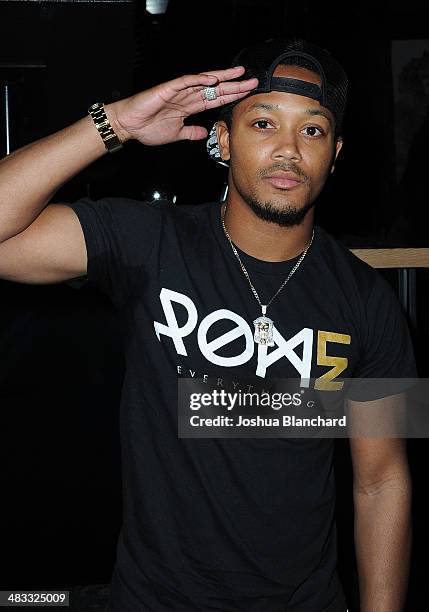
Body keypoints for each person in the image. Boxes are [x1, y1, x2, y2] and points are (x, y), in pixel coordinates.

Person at [0, 37, 417, 612]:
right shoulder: (152, 242)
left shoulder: (371, 301)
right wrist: (115, 122)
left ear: (336, 152)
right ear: (220, 139)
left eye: (313, 130)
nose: (289, 151)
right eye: (263, 123)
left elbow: (382, 480)